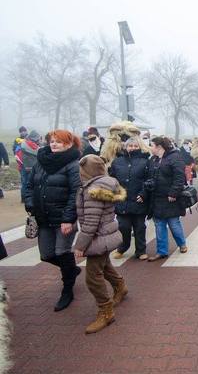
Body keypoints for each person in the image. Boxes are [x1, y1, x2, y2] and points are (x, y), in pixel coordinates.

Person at [24, 129, 82, 311]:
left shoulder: (74, 164)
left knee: (62, 251)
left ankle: (67, 290)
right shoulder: (40, 162)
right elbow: (29, 186)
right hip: (43, 216)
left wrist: (68, 219)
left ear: (69, 144)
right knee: (47, 254)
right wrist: (31, 204)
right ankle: (71, 270)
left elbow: (76, 193)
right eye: (52, 141)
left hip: (64, 218)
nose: (54, 144)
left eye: (59, 141)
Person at [73, 154, 128, 334]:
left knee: (92, 278)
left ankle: (106, 312)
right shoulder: (105, 183)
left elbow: (90, 223)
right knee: (104, 267)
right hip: (106, 234)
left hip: (99, 238)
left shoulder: (93, 190)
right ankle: (121, 286)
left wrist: (80, 246)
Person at [147, 136, 188, 261]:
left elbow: (179, 178)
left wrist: (173, 193)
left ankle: (182, 244)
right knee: (159, 225)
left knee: (173, 223)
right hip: (157, 198)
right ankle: (162, 251)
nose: (150, 148)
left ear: (159, 147)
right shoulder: (153, 159)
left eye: (151, 145)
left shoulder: (175, 157)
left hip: (171, 198)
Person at [109, 137, 150, 260]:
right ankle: (122, 247)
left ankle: (141, 251)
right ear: (125, 147)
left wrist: (144, 194)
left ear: (139, 147)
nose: (132, 148)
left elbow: (149, 180)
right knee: (123, 226)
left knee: (140, 227)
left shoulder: (145, 161)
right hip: (122, 201)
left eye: (135, 146)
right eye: (130, 146)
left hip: (139, 200)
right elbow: (112, 180)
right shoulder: (117, 162)